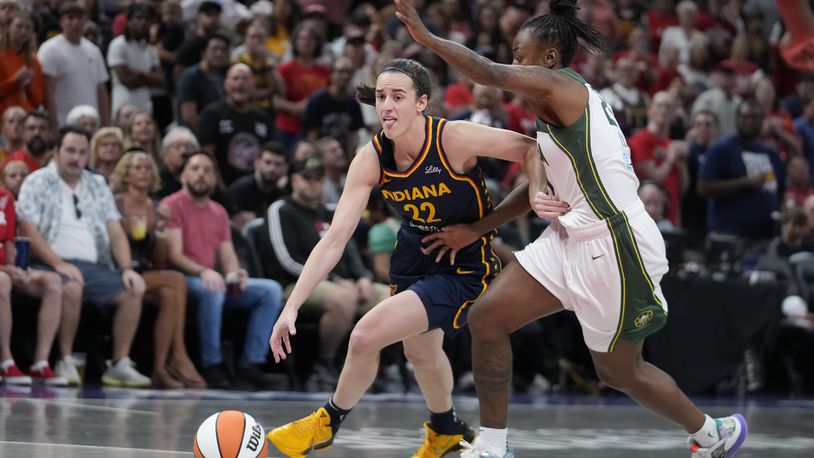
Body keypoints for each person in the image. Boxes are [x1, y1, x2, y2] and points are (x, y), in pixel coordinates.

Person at [394, 1, 748, 457]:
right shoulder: (553, 113)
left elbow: (487, 72)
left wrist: (426, 38)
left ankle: (712, 433)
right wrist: (478, 228)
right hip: (568, 238)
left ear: (548, 59)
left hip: (615, 243)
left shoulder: (563, 87)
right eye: (512, 54)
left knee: (619, 372)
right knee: (487, 319)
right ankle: (494, 448)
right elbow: (535, 184)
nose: (515, 64)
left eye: (521, 56)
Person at [266, 58, 537, 458]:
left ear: (421, 103)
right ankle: (444, 429)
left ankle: (328, 420)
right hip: (414, 254)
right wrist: (291, 307)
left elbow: (531, 149)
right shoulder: (371, 157)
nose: (387, 105)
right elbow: (335, 238)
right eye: (380, 97)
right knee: (421, 352)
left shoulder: (454, 138)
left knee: (364, 335)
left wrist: (493, 221)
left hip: (463, 261)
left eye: (397, 97)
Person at [16, 125, 151, 388]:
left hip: (94, 266)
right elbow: (28, 228)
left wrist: (126, 268)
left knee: (134, 289)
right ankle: (65, 359)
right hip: (48, 262)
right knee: (72, 286)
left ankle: (120, 363)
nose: (75, 158)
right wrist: (58, 263)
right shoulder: (37, 180)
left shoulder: (97, 184)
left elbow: (115, 229)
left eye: (81, 152)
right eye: (69, 151)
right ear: (56, 151)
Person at [162, 152, 283, 389]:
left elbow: (228, 255)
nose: (201, 174)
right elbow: (174, 255)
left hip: (213, 277)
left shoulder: (218, 211)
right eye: (195, 169)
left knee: (270, 290)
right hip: (185, 278)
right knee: (213, 290)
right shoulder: (171, 205)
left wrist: (236, 273)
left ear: (215, 178)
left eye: (207, 170)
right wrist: (203, 272)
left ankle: (252, 363)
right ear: (183, 175)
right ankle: (212, 364)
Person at [110, 150, 206, 388]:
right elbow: (109, 244)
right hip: (117, 270)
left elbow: (161, 260)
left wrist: (160, 230)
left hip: (146, 272)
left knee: (170, 292)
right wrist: (124, 228)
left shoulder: (157, 207)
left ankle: (160, 368)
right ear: (126, 172)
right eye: (137, 167)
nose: (143, 171)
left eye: (146, 167)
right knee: (175, 280)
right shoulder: (115, 202)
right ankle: (178, 356)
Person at [0, 185, 66, 386]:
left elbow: (9, 241)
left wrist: (16, 268)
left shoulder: (5, 197)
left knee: (52, 282)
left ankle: (40, 363)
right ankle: (5, 360)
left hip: (7, 268)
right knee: (2, 282)